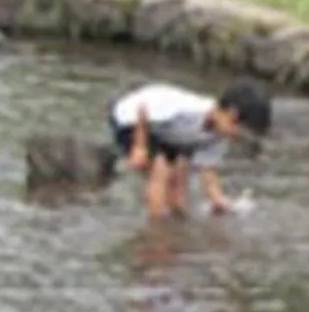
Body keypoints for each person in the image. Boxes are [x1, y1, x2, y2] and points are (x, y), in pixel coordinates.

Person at [108, 78, 272, 220]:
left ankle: (178, 219)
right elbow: (143, 110)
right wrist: (140, 147)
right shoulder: (190, 110)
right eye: (240, 133)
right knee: (161, 170)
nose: (237, 139)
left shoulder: (218, 136)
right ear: (231, 114)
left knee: (180, 175)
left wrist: (218, 200)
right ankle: (157, 226)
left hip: (170, 134)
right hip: (132, 119)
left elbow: (208, 172)